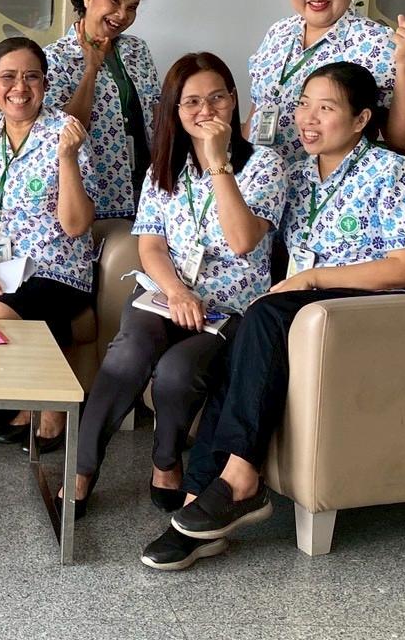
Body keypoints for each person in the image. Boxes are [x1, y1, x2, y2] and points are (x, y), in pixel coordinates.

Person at [153, 61, 405, 567]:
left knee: (262, 317)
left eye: (326, 108)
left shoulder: (390, 170)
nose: (308, 118)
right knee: (241, 335)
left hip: (377, 313)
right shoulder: (298, 173)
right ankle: (198, 506)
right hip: (308, 310)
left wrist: (314, 278)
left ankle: (242, 478)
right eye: (304, 105)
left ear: (362, 119)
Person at [69, 53, 286, 567]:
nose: (205, 110)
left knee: (177, 372)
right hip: (168, 295)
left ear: (234, 101)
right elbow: (150, 244)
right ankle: (81, 470)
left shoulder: (266, 165)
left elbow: (242, 241)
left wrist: (218, 162)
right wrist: (177, 292)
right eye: (191, 102)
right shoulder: (164, 169)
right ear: (174, 110)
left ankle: (166, 461)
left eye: (216, 98)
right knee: (128, 352)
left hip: (231, 309)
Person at [0, 37, 94, 452]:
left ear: (45, 84)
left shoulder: (65, 131)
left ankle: (48, 406)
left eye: (31, 77)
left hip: (57, 266)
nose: (19, 87)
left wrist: (67, 158)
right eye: (8, 77)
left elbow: (75, 225)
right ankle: (23, 401)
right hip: (0, 266)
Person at [245, 0, 405, 164]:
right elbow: (258, 110)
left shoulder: (376, 41)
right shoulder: (278, 33)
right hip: (263, 176)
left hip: (331, 183)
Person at [44, 0, 160, 220]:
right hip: (92, 193)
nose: (122, 15)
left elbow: (157, 114)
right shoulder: (55, 58)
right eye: (115, 1)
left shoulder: (137, 50)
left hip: (147, 190)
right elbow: (65, 132)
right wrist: (91, 69)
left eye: (132, 7)